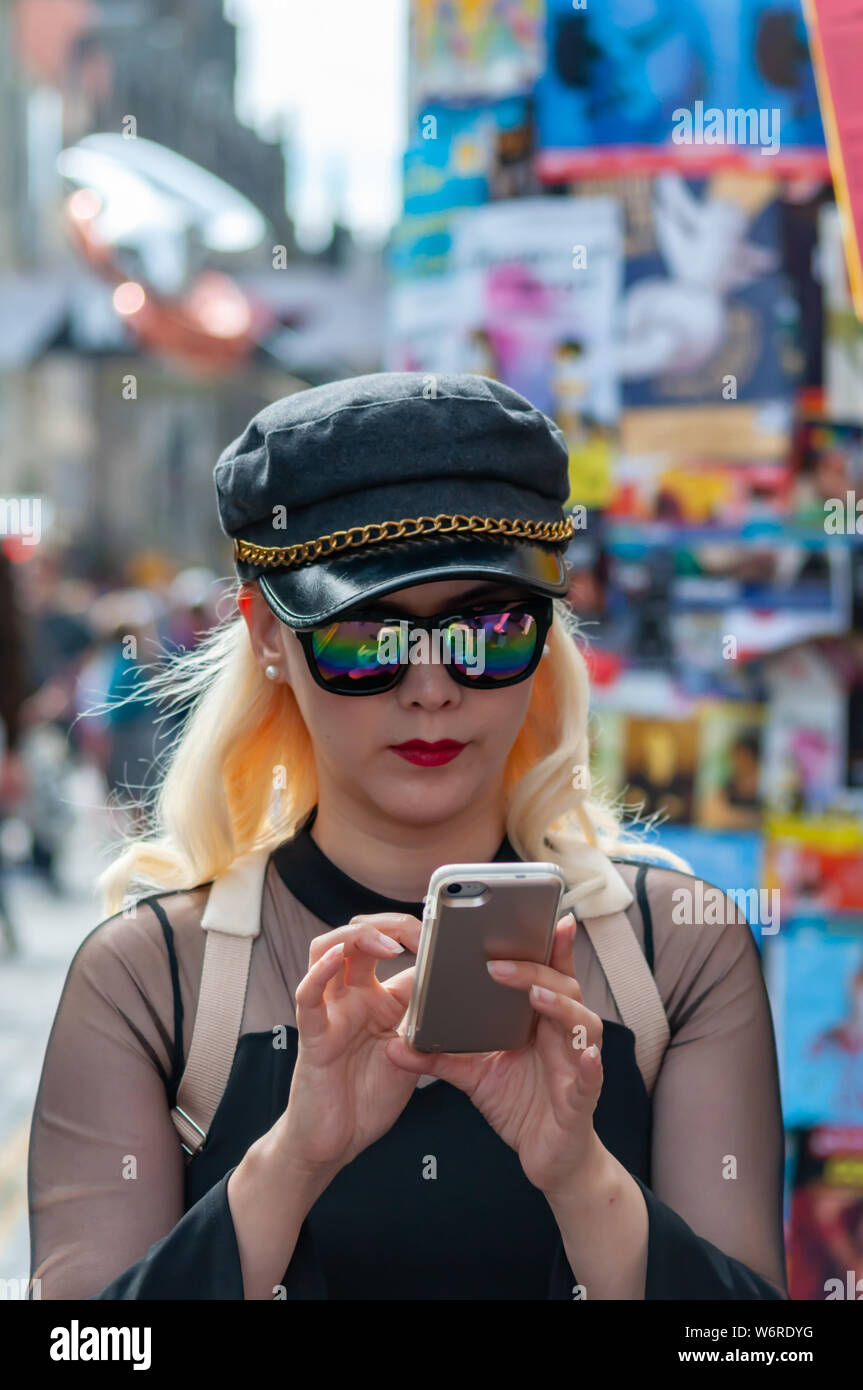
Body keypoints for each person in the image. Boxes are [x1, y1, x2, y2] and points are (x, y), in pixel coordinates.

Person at [27, 373, 787, 1300]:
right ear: (267, 633)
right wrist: (290, 1161)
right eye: (367, 640)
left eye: (486, 631)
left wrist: (581, 1178)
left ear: (544, 637)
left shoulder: (680, 949)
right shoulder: (148, 978)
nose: (431, 688)